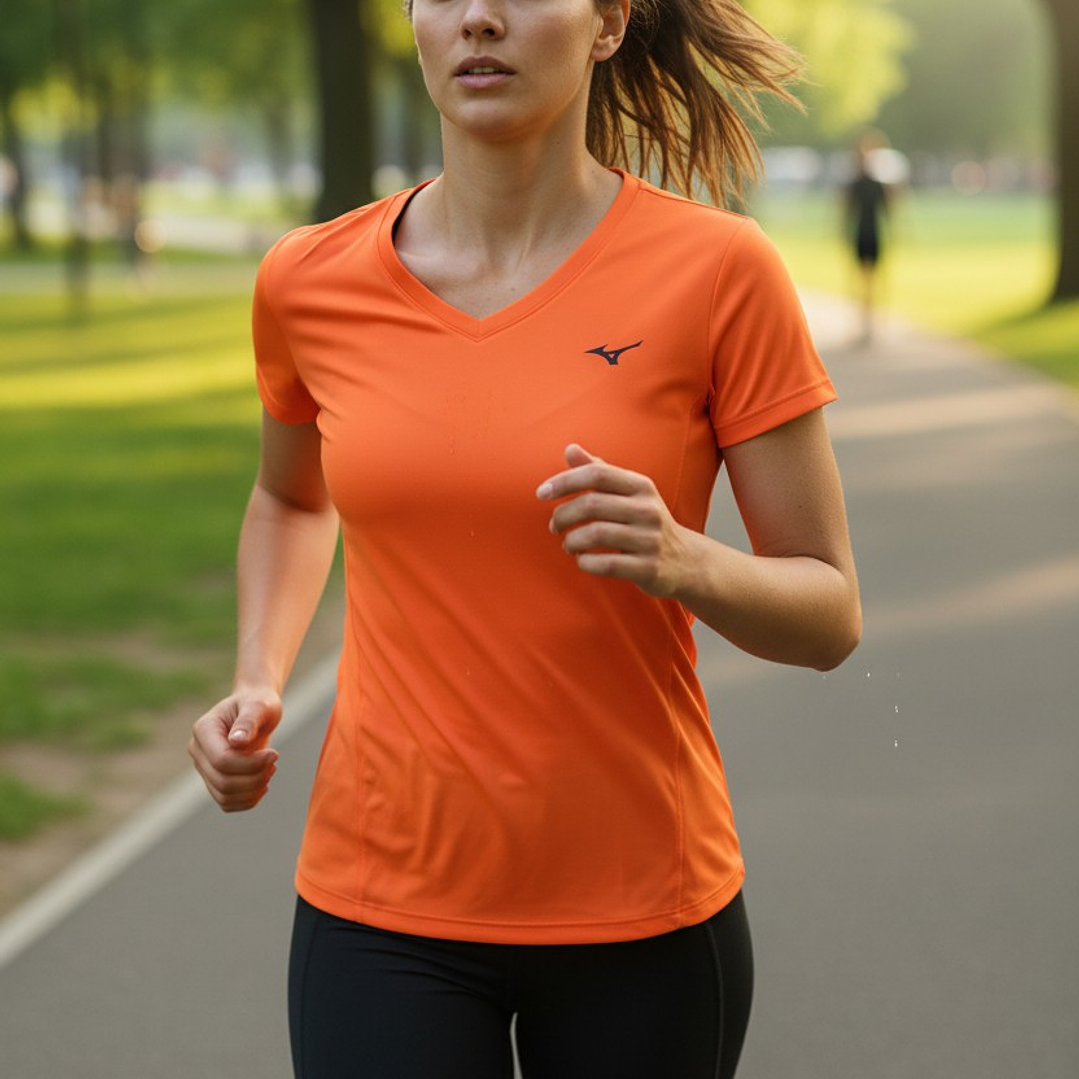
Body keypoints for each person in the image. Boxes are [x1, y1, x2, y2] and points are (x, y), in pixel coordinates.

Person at [188, 1, 861, 1076]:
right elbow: (291, 499)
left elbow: (828, 613)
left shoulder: (720, 271)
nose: (479, 18)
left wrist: (686, 559)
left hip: (644, 908)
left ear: (606, 25)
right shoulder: (307, 279)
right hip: (380, 900)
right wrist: (257, 675)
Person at [845, 138, 892, 341]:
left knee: (871, 279)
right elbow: (847, 211)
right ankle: (865, 320)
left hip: (872, 235)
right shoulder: (856, 185)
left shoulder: (875, 185)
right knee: (864, 279)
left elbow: (889, 210)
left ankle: (870, 320)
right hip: (862, 235)